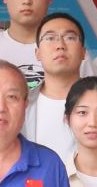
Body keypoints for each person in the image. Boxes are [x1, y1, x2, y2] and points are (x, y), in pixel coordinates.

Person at [21, 11, 88, 166]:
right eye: (50, 38)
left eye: (70, 38)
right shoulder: (22, 105)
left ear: (83, 52)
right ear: (37, 53)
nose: (60, 46)